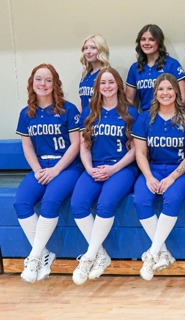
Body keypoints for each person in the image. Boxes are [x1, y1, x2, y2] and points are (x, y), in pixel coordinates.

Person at [14, 64, 83, 283]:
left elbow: (76, 144)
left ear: (55, 84)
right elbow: (27, 147)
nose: (42, 84)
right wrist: (37, 170)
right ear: (32, 83)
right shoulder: (26, 113)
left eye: (48, 80)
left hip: (67, 166)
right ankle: (44, 254)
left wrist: (56, 169)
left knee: (50, 202)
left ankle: (33, 258)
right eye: (38, 80)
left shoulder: (68, 110)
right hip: (41, 167)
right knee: (21, 202)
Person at [70, 68, 139, 285]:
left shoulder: (130, 111)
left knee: (105, 205)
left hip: (122, 168)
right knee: (78, 205)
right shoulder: (89, 113)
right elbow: (84, 146)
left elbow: (136, 149)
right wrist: (89, 169)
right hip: (94, 167)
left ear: (118, 84)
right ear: (97, 87)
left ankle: (89, 256)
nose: (107, 86)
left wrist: (114, 168)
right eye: (103, 83)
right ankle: (101, 255)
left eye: (111, 82)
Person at [132, 73, 185, 281]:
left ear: (176, 91)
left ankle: (152, 254)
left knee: (172, 198)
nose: (165, 93)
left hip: (180, 170)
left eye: (169, 89)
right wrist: (149, 177)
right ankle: (163, 253)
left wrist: (171, 178)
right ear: (155, 93)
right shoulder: (145, 118)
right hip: (153, 168)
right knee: (141, 200)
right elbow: (140, 153)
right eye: (161, 89)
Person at [126, 24, 185, 112]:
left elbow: (183, 99)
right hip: (146, 118)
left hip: (169, 116)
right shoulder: (134, 68)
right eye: (143, 39)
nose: (146, 43)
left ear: (159, 42)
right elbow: (129, 101)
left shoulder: (172, 65)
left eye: (151, 39)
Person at [79, 34, 110, 113]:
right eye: (86, 48)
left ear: (101, 50)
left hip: (99, 120)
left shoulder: (106, 74)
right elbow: (83, 101)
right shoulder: (86, 75)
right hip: (85, 120)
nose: (88, 51)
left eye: (93, 48)